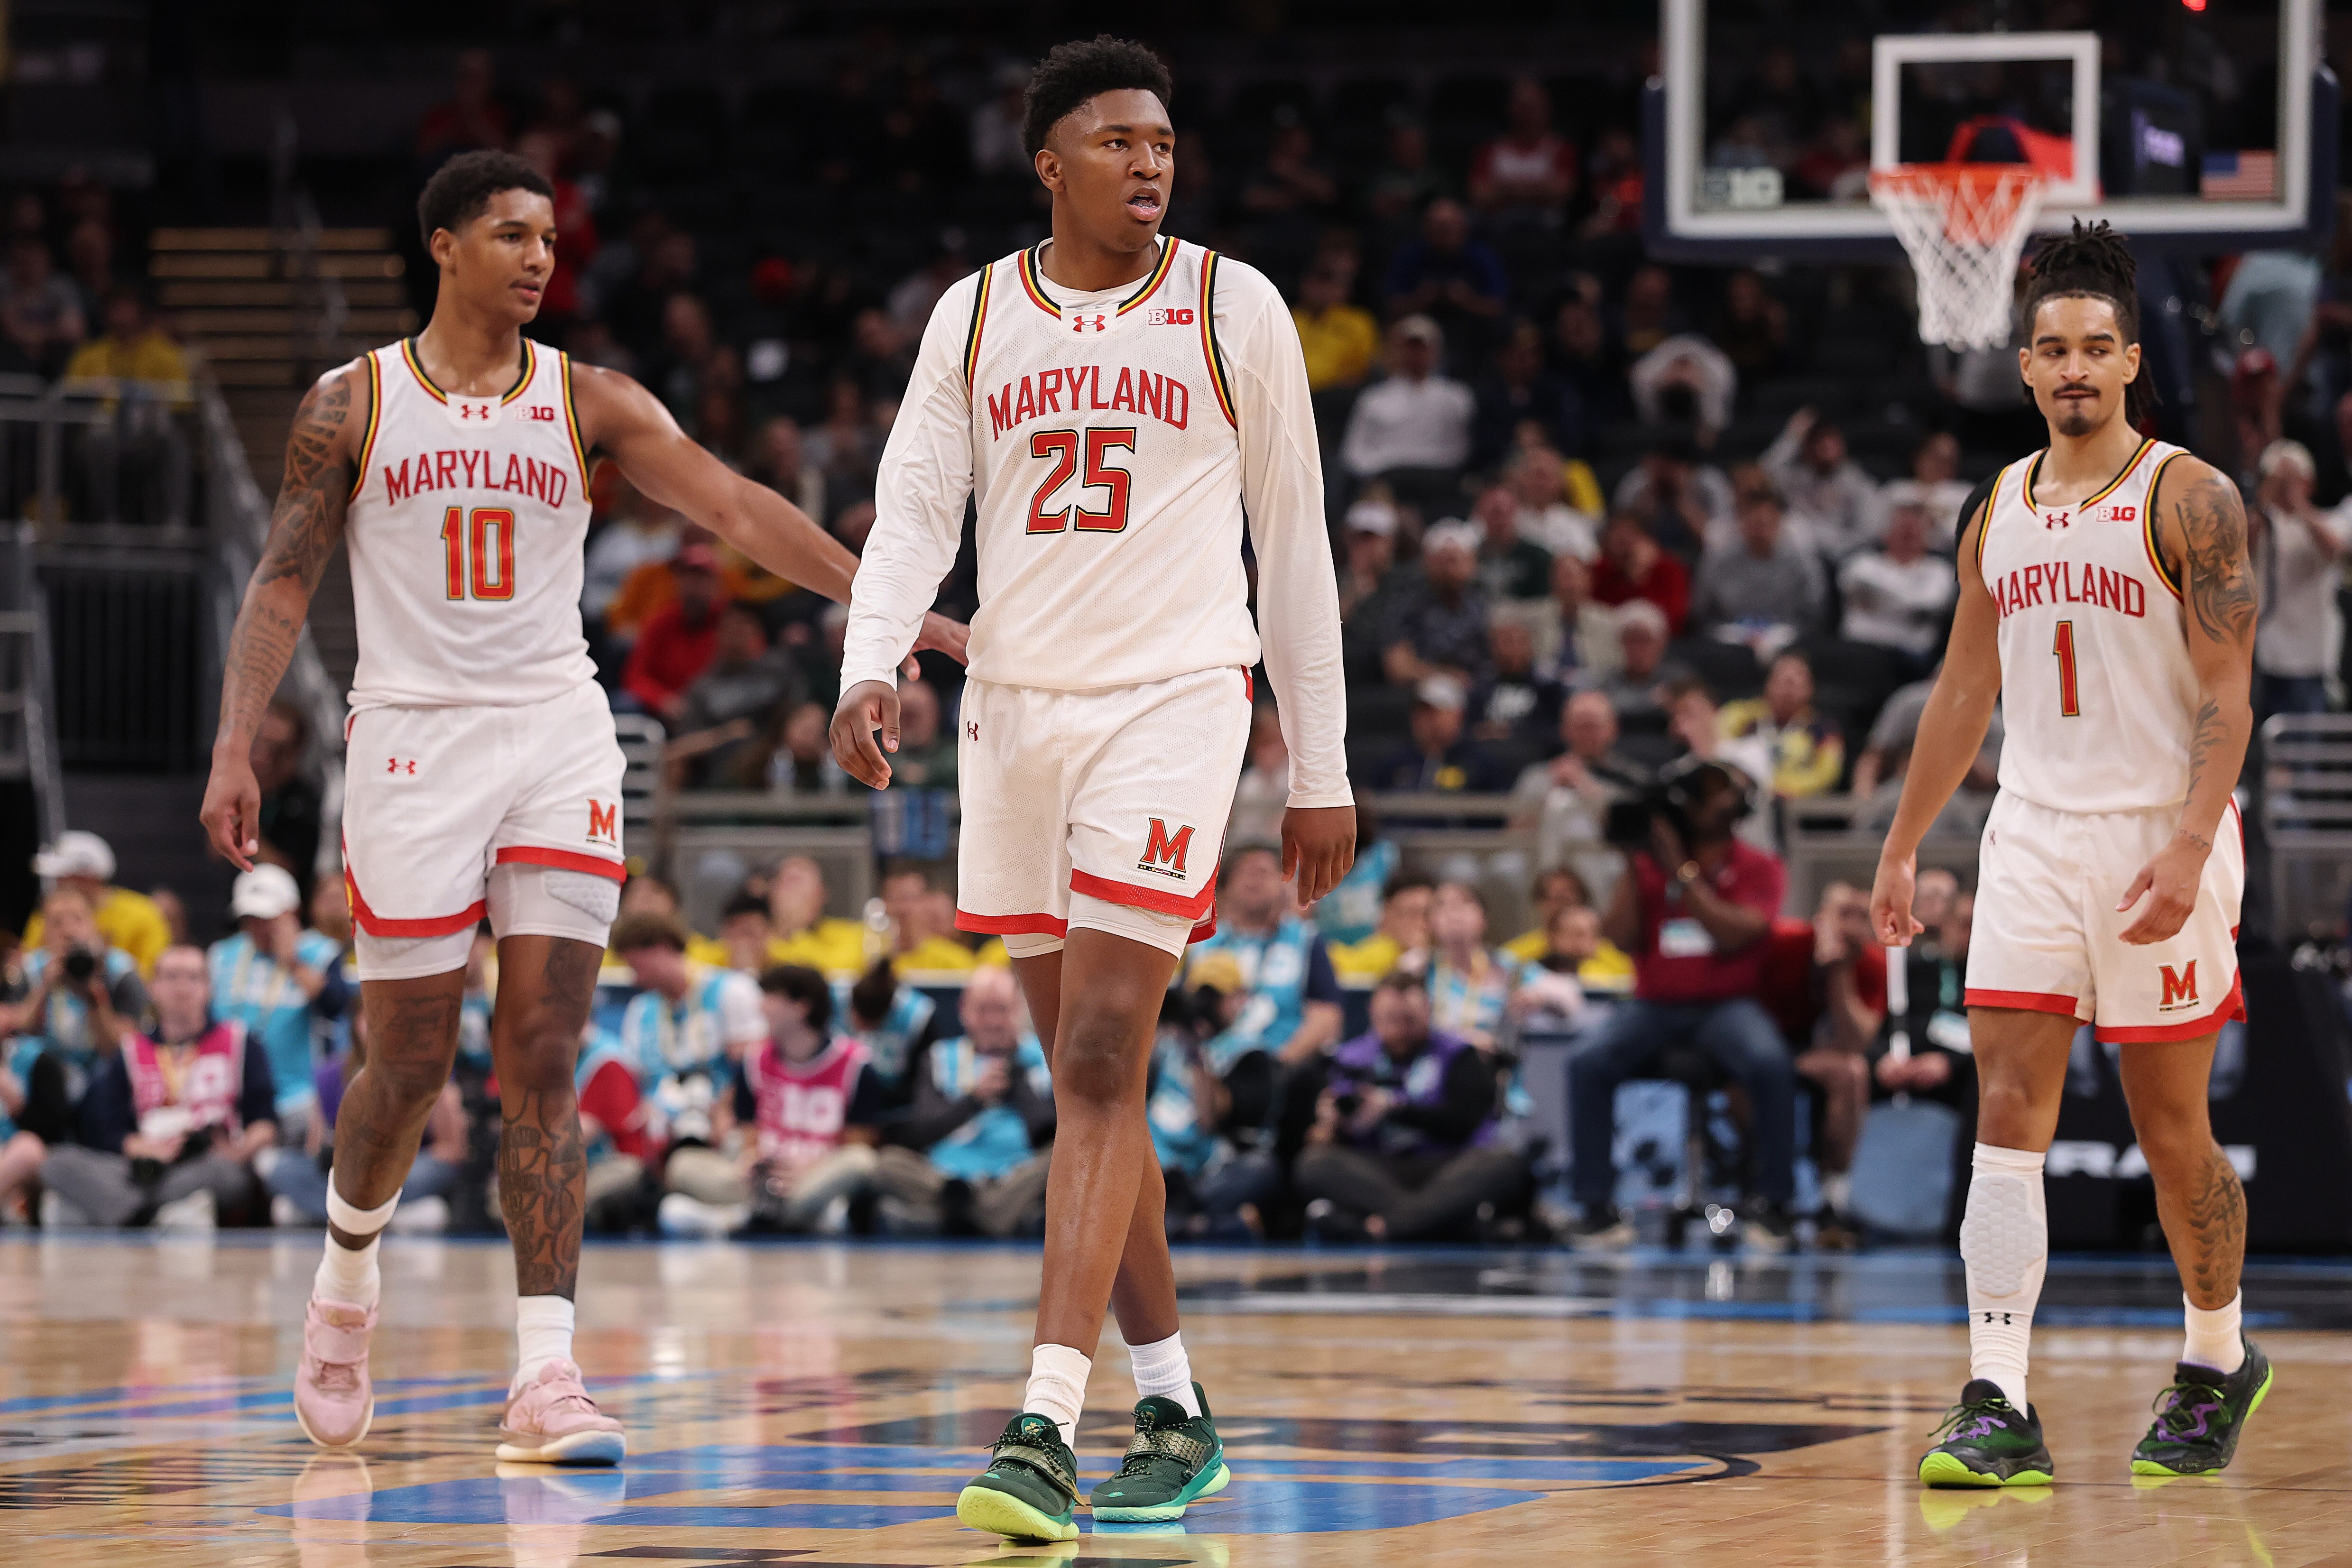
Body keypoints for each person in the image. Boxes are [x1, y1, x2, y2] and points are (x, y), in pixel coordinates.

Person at [198, 148, 965, 1467]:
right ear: (442, 246)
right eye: (510, 234)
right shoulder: (353, 402)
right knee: (407, 1064)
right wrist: (235, 747)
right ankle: (345, 1280)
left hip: (558, 735)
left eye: (549, 237)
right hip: (410, 744)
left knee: (543, 1051)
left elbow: (729, 504)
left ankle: (546, 1374)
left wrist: (886, 609)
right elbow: (280, 582)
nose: (540, 257)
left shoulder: (591, 398)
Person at [827, 39, 1353, 1539]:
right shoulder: (975, 312)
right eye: (1117, 140)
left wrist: (1318, 764)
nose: (1150, 162)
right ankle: (1176, 1403)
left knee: (1112, 1058)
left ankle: (1046, 1423)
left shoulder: (1231, 302)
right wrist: (872, 665)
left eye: (1165, 141)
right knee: (1089, 1091)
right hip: (1013, 712)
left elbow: (1294, 543)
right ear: (1048, 164)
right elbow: (915, 508)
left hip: (1178, 699)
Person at [1870, 222, 2268, 1487]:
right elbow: (1956, 690)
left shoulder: (2189, 496)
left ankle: (2214, 1356)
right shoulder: (1995, 504)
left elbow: (2227, 695)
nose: (2073, 369)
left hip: (2161, 832)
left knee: (2168, 1131)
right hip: (2031, 832)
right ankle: (1994, 1394)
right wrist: (1898, 844)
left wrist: (2191, 843)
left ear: (2130, 359)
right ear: (2024, 365)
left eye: (2096, 348)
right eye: (2051, 350)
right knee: (2002, 1111)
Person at [1566, 758, 1797, 1253]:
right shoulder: (1648, 866)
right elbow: (1621, 938)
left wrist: (1683, 875)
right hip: (1654, 1006)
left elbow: (1738, 933)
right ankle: (1595, 1208)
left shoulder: (1758, 865)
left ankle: (1775, 1205)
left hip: (1726, 1005)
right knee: (1587, 1062)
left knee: (1771, 1063)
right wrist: (1635, 863)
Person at [39, 946, 277, 1230]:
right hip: (144, 1167)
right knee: (57, 1162)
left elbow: (265, 1123)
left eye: (193, 978)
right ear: (153, 988)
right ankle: (151, 1213)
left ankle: (127, 1213)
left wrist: (238, 1151)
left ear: (209, 988)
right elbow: (108, 1132)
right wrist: (143, 1148)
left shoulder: (240, 1042)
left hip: (208, 1162)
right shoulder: (130, 1050)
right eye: (172, 978)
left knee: (226, 1175)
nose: (182, 989)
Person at [1294, 970, 1525, 1242]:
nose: (1399, 1031)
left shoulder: (1460, 1055)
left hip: (1444, 1167)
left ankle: (1384, 1227)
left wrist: (1395, 1109)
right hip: (1377, 1169)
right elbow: (1322, 1131)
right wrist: (1331, 1126)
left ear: (1428, 1012)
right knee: (1314, 1163)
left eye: (1410, 1021)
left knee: (1501, 1162)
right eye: (1390, 1020)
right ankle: (1445, 1224)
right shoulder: (1347, 1060)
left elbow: (1462, 1125)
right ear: (1372, 1014)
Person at [659, 964, 885, 1237]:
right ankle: (795, 1219)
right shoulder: (753, 1062)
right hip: (763, 1181)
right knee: (683, 1164)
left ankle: (736, 1218)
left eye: (770, 998)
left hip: (815, 1178)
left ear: (802, 1007)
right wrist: (751, 1162)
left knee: (861, 1162)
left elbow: (858, 1145)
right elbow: (750, 1140)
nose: (760, 1008)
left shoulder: (856, 1065)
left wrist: (807, 1170)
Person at [870, 965, 1056, 1236]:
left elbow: (1050, 1136)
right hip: (949, 1179)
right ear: (964, 1011)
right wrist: (975, 1099)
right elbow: (923, 1130)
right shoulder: (940, 1056)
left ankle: (950, 1217)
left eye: (1001, 1010)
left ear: (1018, 1010)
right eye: (983, 1010)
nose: (992, 1022)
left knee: (1060, 1159)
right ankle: (990, 1216)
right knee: (885, 1163)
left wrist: (1017, 1079)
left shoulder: (1042, 1057)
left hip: (1015, 1177)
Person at [207, 864, 349, 1143]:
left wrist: (293, 963)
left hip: (299, 1098)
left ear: (292, 913)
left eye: (267, 918)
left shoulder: (320, 953)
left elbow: (336, 1007)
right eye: (249, 918)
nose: (258, 927)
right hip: (233, 1096)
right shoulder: (221, 956)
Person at [1188, 846, 1344, 1067]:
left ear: (1286, 885)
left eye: (1263, 872)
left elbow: (1326, 1016)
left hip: (1281, 1069)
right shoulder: (1201, 942)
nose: (1254, 880)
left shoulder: (1307, 940)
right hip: (1206, 1068)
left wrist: (1279, 1065)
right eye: (1244, 872)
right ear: (1224, 887)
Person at [2246, 438, 2344, 721]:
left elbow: (2335, 549)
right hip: (2264, 656)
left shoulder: (2328, 521)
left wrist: (2298, 503)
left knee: (2305, 755)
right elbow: (2237, 546)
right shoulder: (2261, 524)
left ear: (2310, 483)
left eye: (2295, 479)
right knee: (2263, 754)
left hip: (2310, 659)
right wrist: (2265, 496)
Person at [1341, 314, 1476, 498]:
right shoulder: (1374, 399)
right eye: (1409, 347)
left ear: (1437, 351)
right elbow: (1354, 451)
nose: (1416, 354)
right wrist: (1375, 477)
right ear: (1395, 350)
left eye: (1423, 348)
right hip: (1388, 479)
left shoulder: (1457, 398)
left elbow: (1462, 449)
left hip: (1440, 479)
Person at [1690, 470, 1826, 645]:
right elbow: (1702, 614)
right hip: (1730, 640)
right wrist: (1729, 633)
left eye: (1766, 523)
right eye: (1755, 523)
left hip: (1787, 640)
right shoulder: (1717, 561)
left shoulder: (1803, 562)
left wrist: (1781, 635)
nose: (1760, 531)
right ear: (1741, 522)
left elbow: (1814, 615)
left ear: (1779, 522)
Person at [24, 830, 171, 977]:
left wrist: (106, 971)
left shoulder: (143, 914)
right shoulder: (48, 913)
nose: (57, 884)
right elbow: (30, 964)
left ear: (87, 878)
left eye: (62, 877)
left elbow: (155, 973)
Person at [1840, 502, 1957, 669]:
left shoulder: (1939, 570)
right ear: (1886, 533)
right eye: (1901, 528)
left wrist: (1879, 598)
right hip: (1859, 648)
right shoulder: (1864, 562)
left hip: (1909, 657)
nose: (1906, 534)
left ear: (1928, 537)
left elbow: (1931, 604)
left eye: (1913, 531)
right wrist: (1908, 601)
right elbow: (1850, 583)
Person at [1761, 407, 1885, 559]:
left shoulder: (1858, 482)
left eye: (1831, 440)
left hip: (1844, 556)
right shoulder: (1797, 479)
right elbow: (1765, 474)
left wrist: (1838, 548)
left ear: (1842, 444)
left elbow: (1869, 532)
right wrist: (1793, 435)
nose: (1826, 446)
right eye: (1818, 441)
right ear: (1807, 447)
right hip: (1804, 556)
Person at [1719, 651, 1845, 801]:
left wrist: (1786, 787)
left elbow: (1827, 774)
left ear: (1811, 688)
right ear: (1768, 684)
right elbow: (1718, 739)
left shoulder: (1824, 729)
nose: (1787, 686)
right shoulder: (1743, 716)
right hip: (1744, 796)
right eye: (1781, 678)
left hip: (1795, 806)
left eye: (1795, 680)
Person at [1412, 882, 1522, 1049]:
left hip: (1493, 1065)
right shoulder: (1418, 970)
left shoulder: (1511, 968)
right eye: (1441, 905)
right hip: (1434, 1065)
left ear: (1484, 918)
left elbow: (1568, 1000)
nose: (1454, 913)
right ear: (1429, 923)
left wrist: (1539, 996)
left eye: (1465, 902)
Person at [1329, 870, 1436, 982]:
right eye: (1410, 914)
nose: (1421, 924)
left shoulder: (1444, 956)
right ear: (1387, 914)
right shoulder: (1380, 952)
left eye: (1427, 914)